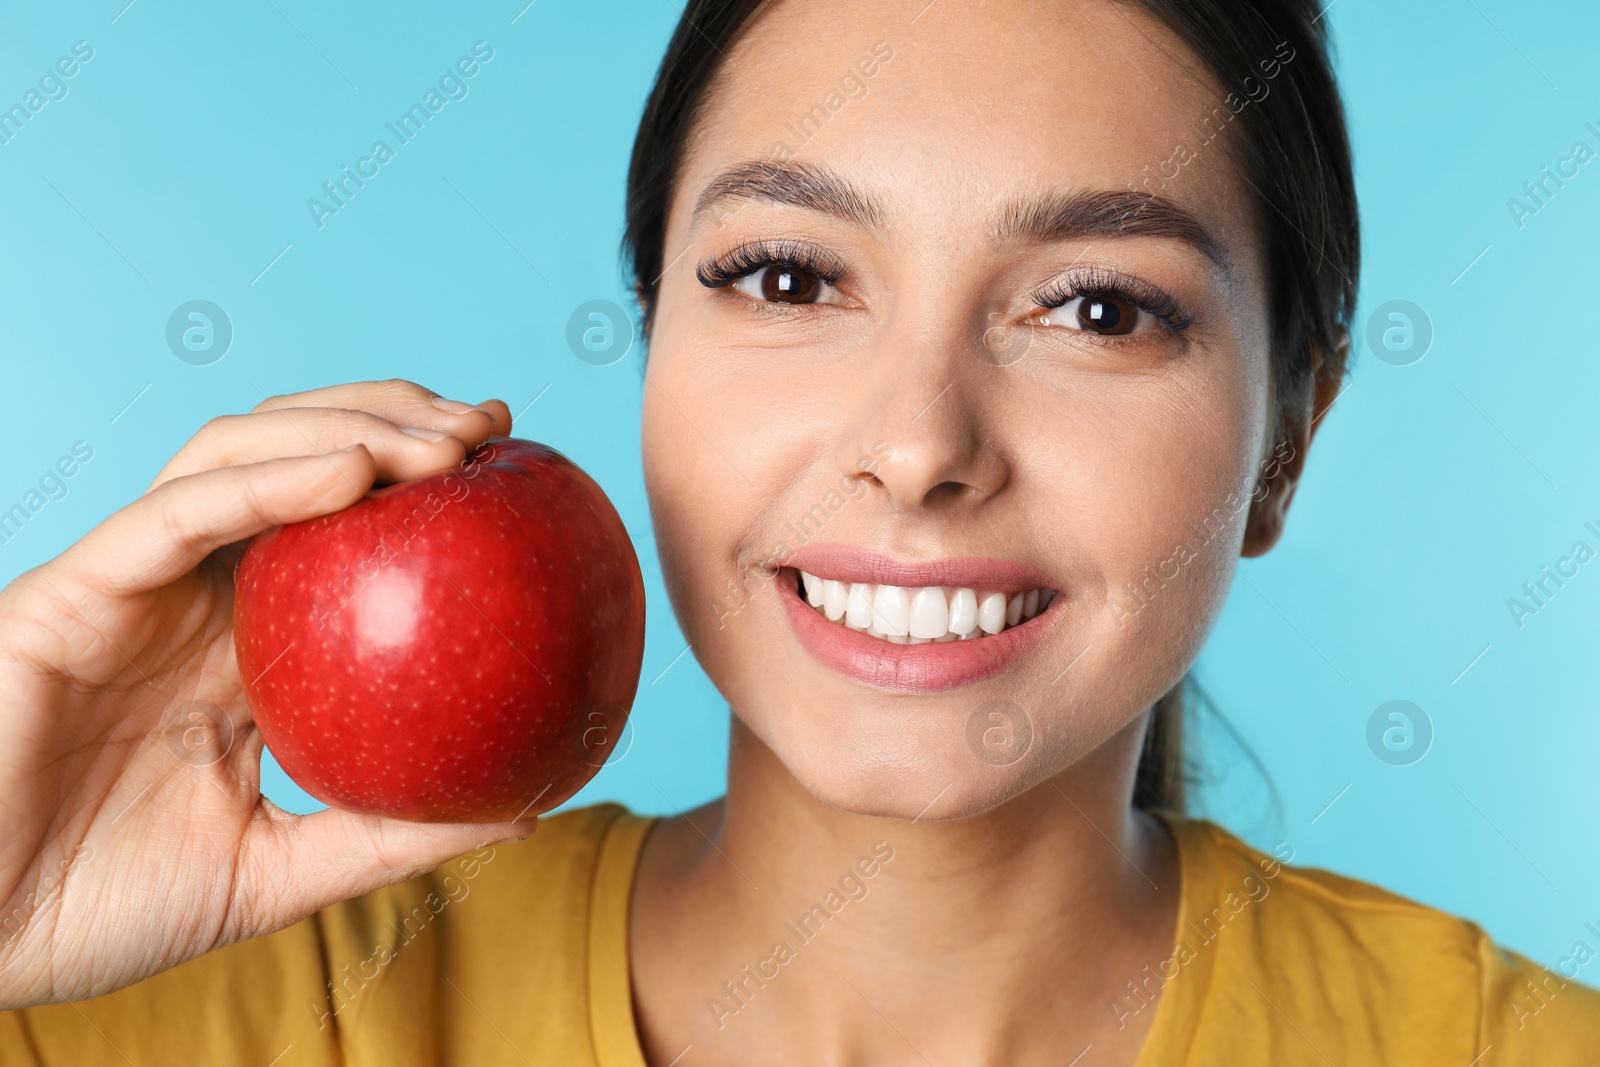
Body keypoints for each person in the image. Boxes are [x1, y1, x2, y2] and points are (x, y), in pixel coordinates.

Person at [1, 0, 1595, 1062]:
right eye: (789, 277)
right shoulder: (194, 1007)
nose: (916, 447)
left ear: (1287, 441)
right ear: (651, 340)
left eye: (1098, 307)